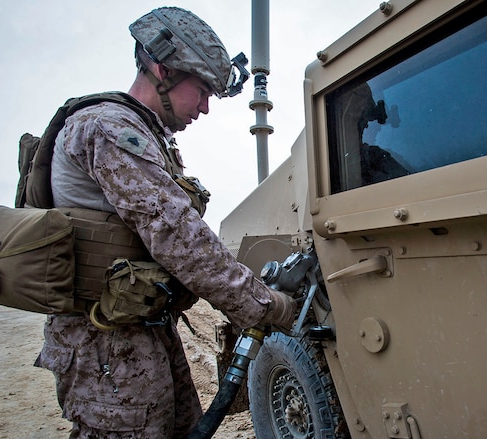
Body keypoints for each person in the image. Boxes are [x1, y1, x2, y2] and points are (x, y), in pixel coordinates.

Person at [33, 7, 296, 438]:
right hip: (105, 344)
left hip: (143, 329)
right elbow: (178, 234)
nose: (206, 108)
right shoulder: (109, 128)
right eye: (202, 91)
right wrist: (265, 305)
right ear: (163, 70)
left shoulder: (146, 135)